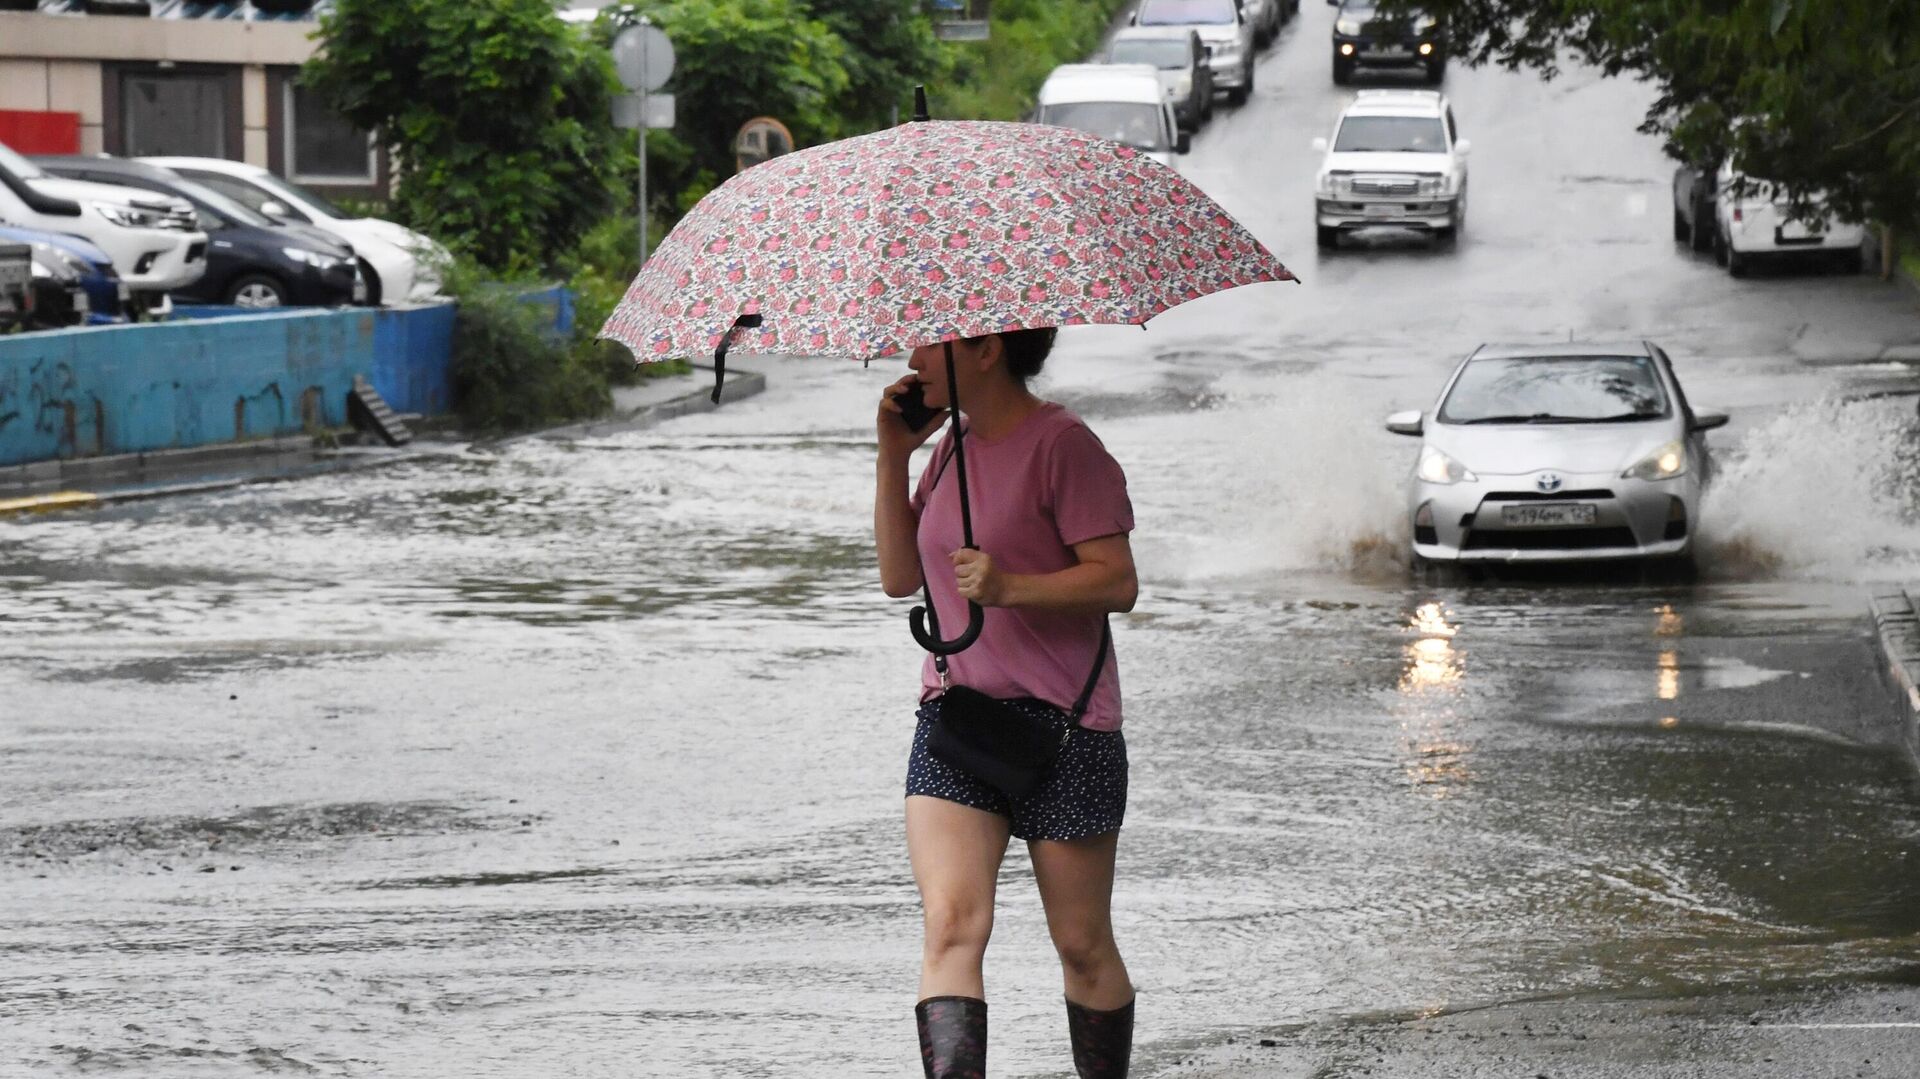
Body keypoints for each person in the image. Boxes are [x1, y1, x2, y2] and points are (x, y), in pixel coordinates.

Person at [874, 327, 1140, 1079]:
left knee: (1082, 945)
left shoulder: (1066, 446)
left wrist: (1011, 585)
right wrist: (893, 454)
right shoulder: (949, 449)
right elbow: (900, 576)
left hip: (1067, 730)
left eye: (929, 343)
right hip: (957, 722)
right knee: (952, 926)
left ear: (986, 350)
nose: (913, 359)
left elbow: (1117, 581)